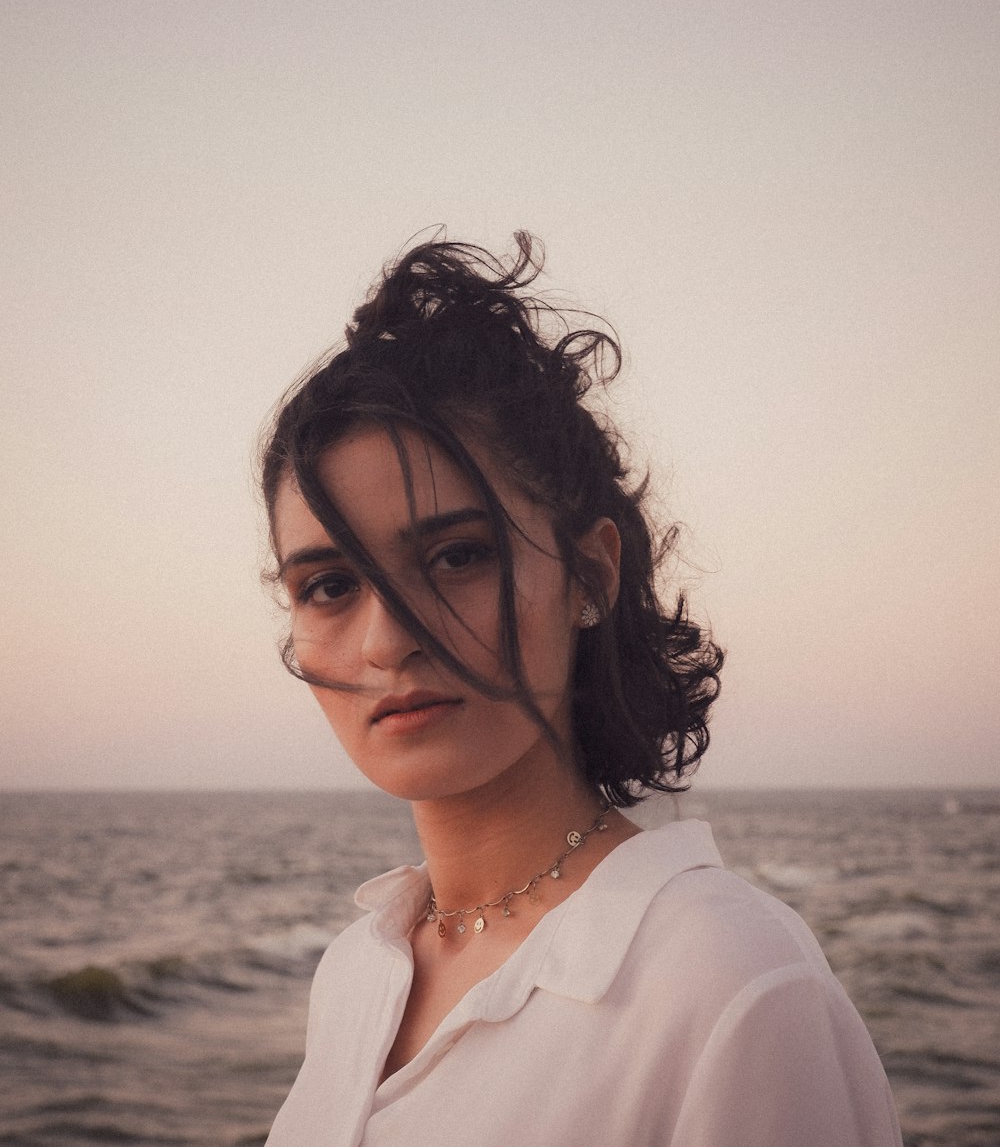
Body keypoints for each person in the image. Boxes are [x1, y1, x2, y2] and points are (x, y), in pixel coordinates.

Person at [260, 235, 902, 1146]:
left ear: (591, 575)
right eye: (329, 585)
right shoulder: (359, 973)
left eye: (455, 556)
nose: (386, 639)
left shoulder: (731, 986)